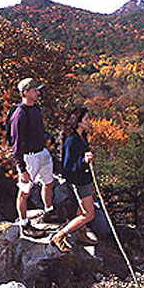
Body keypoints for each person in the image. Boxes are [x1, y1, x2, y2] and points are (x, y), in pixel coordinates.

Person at [10, 77, 56, 237]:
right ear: (25, 93)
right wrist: (21, 169)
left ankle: (49, 211)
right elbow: (16, 145)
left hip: (42, 153)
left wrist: (47, 138)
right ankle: (24, 225)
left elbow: (37, 131)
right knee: (24, 193)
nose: (38, 92)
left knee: (49, 183)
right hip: (29, 158)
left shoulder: (35, 109)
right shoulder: (19, 115)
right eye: (35, 90)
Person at [50, 106, 98, 252]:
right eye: (86, 119)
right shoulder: (71, 140)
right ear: (78, 122)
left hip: (84, 178)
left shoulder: (82, 136)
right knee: (88, 214)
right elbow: (67, 166)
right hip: (79, 181)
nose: (89, 121)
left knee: (81, 209)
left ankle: (81, 233)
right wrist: (83, 161)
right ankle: (60, 235)